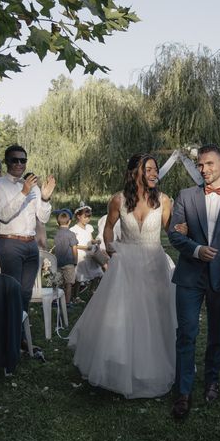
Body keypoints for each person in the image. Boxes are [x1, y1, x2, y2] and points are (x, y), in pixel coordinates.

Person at [68, 153, 176, 399]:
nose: (154, 174)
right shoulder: (117, 200)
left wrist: (185, 230)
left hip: (154, 264)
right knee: (126, 317)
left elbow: (173, 230)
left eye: (155, 169)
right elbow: (107, 230)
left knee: (154, 317)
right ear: (134, 173)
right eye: (148, 169)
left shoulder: (164, 200)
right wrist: (112, 250)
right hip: (125, 264)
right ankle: (121, 368)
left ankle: (149, 369)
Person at [168, 144, 220, 419]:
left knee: (217, 333)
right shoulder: (185, 196)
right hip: (190, 276)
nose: (204, 170)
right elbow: (175, 234)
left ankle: (212, 381)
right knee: (187, 333)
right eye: (200, 165)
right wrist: (195, 249)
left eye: (209, 164)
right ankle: (183, 391)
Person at [0, 145, 55, 315]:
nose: (19, 163)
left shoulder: (34, 186)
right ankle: (9, 335)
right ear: (6, 162)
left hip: (31, 245)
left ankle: (20, 335)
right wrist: (24, 192)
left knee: (25, 293)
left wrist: (45, 198)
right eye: (14, 160)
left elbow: (44, 218)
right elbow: (4, 215)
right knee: (12, 292)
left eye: (22, 160)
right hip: (10, 244)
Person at [70, 204, 103, 301]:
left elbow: (91, 239)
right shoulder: (74, 230)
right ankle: (76, 296)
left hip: (90, 254)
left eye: (89, 217)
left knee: (97, 272)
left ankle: (92, 290)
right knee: (79, 277)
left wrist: (95, 241)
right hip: (80, 254)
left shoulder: (89, 227)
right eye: (85, 217)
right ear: (78, 216)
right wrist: (86, 247)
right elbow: (75, 245)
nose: (87, 219)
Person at [53, 210, 78, 305]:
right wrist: (75, 260)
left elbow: (56, 248)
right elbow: (74, 248)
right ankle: (67, 303)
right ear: (70, 221)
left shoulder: (56, 234)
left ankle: (56, 301)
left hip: (58, 262)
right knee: (68, 284)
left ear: (57, 223)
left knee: (58, 283)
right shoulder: (71, 234)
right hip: (69, 263)